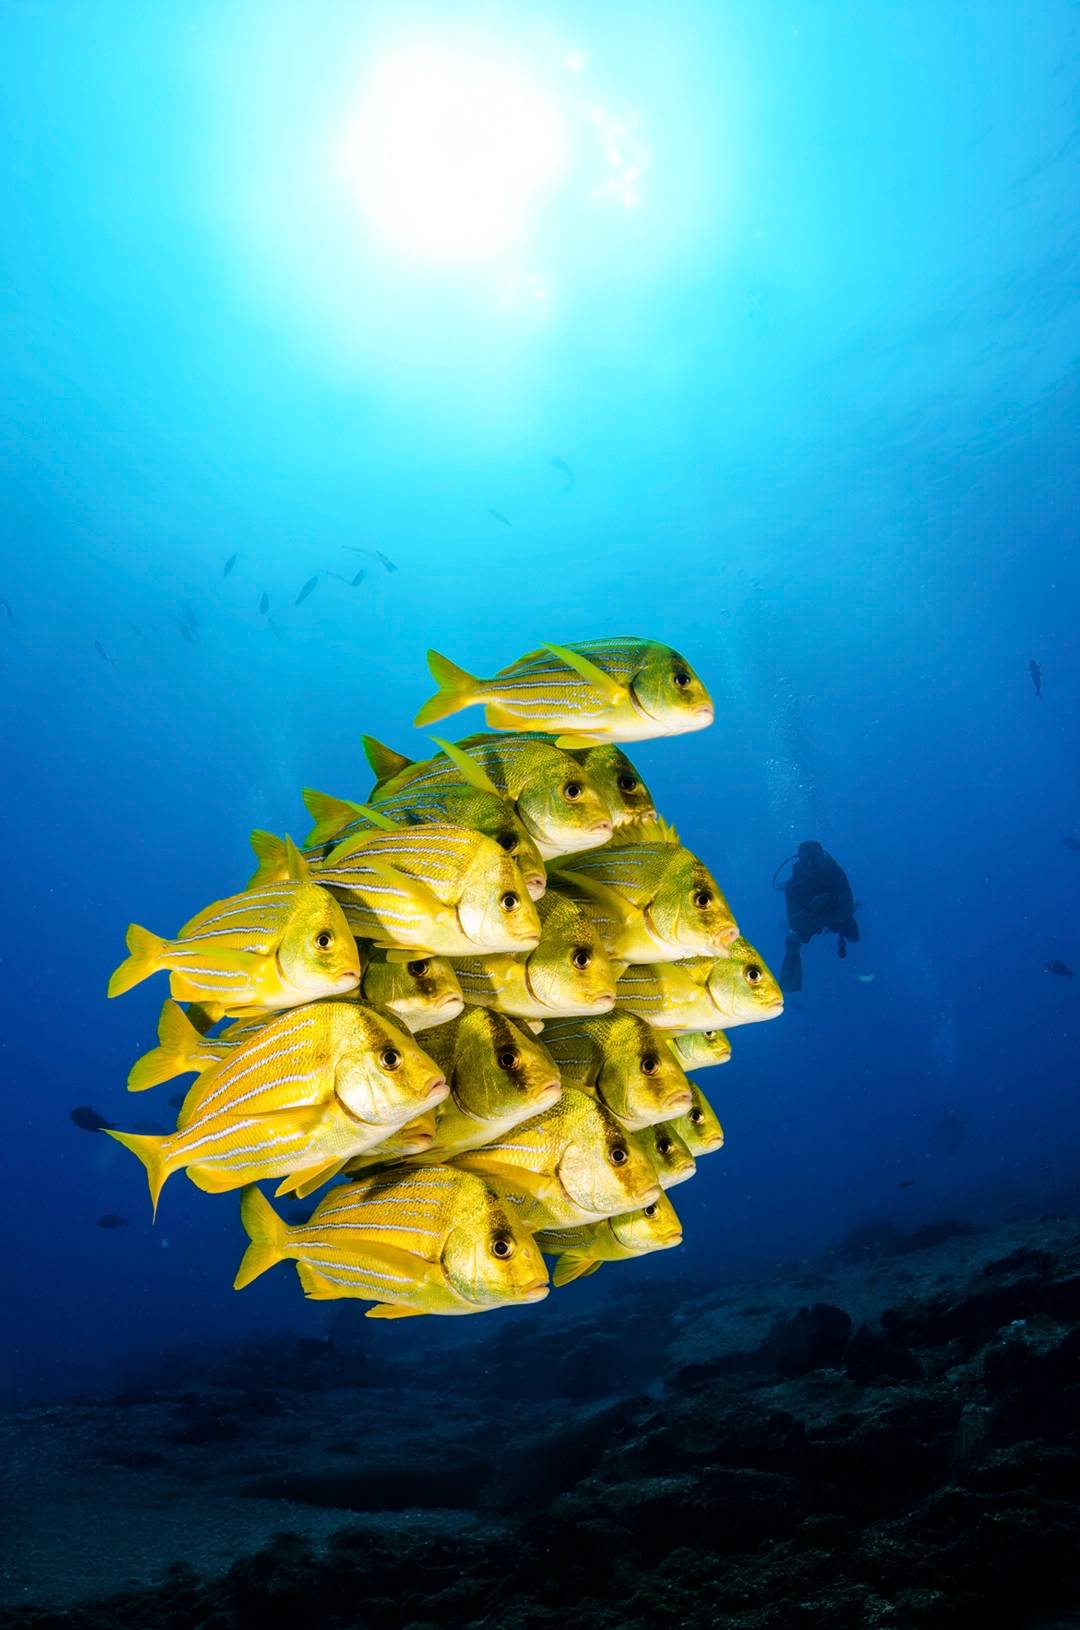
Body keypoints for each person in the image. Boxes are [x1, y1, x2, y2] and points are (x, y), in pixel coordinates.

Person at [774, 841, 859, 992]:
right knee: (796, 938)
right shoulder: (794, 885)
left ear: (823, 857)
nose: (813, 863)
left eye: (816, 857)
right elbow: (794, 922)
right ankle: (790, 981)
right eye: (808, 859)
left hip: (833, 914)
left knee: (854, 935)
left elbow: (846, 908)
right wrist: (811, 909)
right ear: (800, 861)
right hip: (812, 918)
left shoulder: (836, 873)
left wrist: (826, 913)